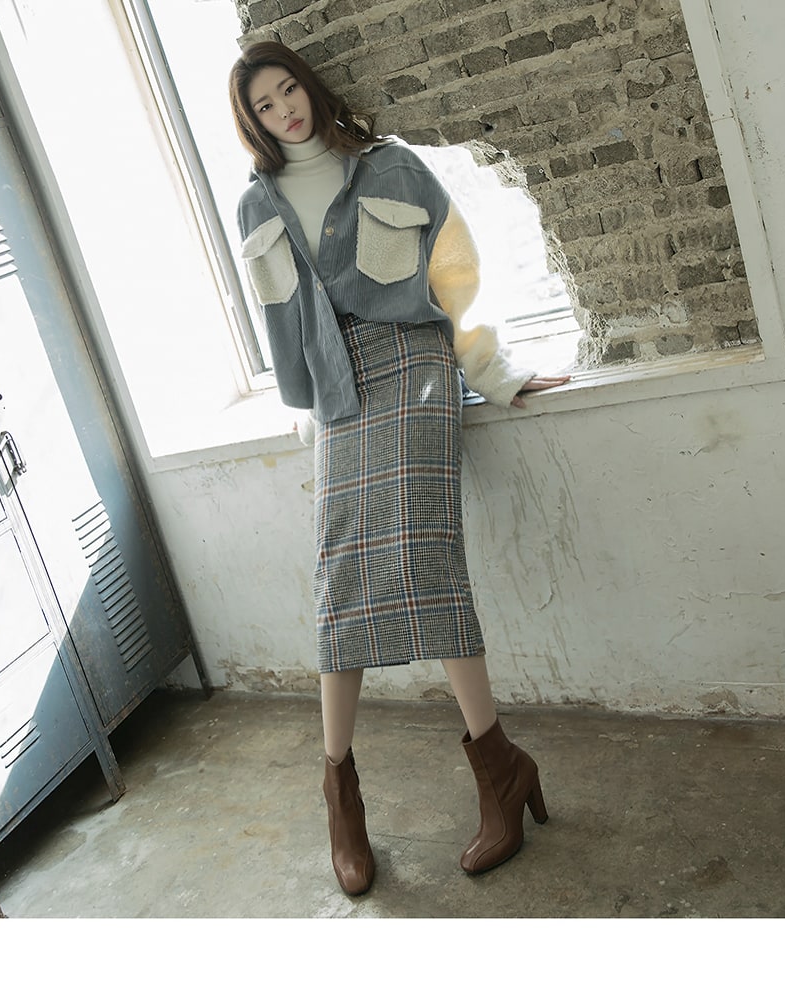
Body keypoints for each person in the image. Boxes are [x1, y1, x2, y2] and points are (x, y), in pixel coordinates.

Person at [229, 40, 569, 897]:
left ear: (310, 86)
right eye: (265, 104)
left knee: (424, 555)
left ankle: (498, 766)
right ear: (253, 122)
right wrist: (312, 406)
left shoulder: (390, 167)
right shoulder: (254, 205)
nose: (284, 110)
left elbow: (453, 279)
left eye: (289, 90)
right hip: (336, 392)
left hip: (413, 362)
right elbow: (282, 320)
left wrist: (491, 371)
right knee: (339, 575)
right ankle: (340, 794)